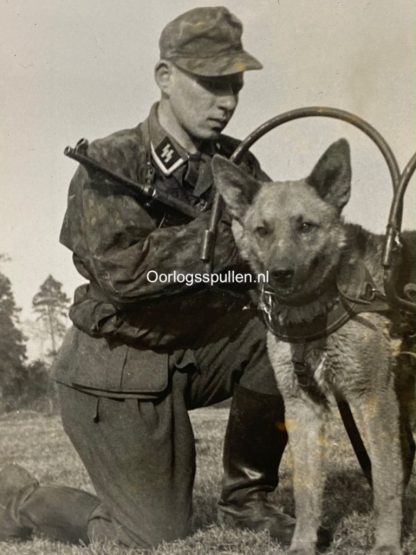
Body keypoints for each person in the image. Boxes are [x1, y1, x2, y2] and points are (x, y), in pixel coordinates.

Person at [0, 7, 294, 548]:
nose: (226, 101)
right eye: (210, 84)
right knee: (152, 534)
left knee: (284, 333)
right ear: (165, 77)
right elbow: (126, 276)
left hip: (192, 352)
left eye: (234, 85)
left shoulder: (237, 165)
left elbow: (278, 249)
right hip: (115, 367)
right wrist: (233, 236)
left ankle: (247, 497)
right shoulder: (112, 163)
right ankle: (18, 499)